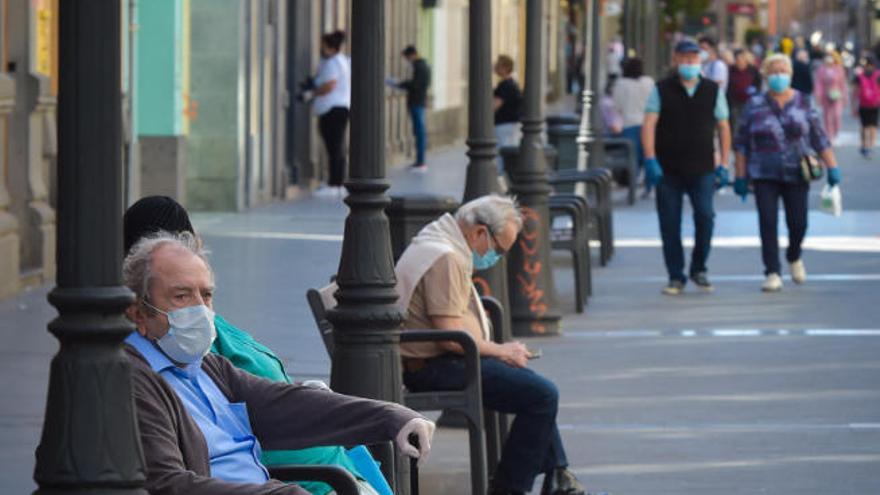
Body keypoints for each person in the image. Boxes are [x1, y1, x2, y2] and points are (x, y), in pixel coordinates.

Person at [121, 230, 434, 494]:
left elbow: (288, 403)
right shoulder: (133, 378)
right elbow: (167, 483)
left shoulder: (205, 366)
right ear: (137, 313)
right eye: (181, 296)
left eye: (206, 295)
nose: (200, 309)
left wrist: (392, 418)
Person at [394, 195, 586, 495]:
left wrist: (496, 349)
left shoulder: (442, 239)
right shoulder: (445, 256)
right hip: (432, 365)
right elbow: (448, 335)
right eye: (498, 248)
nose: (496, 257)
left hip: (445, 357)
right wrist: (502, 351)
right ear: (480, 232)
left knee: (533, 387)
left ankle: (559, 477)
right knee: (541, 395)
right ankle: (513, 488)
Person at [733, 54, 841, 292]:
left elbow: (818, 137)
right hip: (763, 172)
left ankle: (794, 255)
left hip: (797, 172)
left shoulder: (803, 101)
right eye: (773, 71)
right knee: (768, 222)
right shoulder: (754, 104)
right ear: (765, 75)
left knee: (798, 222)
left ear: (790, 75)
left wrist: (832, 167)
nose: (778, 75)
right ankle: (772, 271)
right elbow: (741, 143)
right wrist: (739, 176)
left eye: (783, 71)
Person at [641, 39, 732, 295]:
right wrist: (650, 159)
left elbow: (724, 126)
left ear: (700, 60)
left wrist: (724, 163)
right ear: (676, 59)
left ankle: (699, 268)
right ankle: (675, 275)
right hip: (667, 168)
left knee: (706, 217)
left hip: (703, 167)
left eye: (694, 58)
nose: (690, 63)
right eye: (685, 58)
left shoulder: (713, 90)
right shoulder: (662, 89)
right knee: (669, 223)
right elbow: (649, 123)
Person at [307, 31, 351, 198]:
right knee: (337, 146)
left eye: (323, 45)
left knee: (334, 146)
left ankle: (335, 182)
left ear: (329, 46)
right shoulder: (343, 61)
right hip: (340, 107)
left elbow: (330, 85)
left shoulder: (332, 62)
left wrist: (312, 93)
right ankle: (337, 182)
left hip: (332, 109)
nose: (321, 48)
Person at [612, 57, 655, 194]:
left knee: (632, 158)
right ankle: (649, 187)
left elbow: (617, 105)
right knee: (648, 155)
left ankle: (632, 187)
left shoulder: (621, 84)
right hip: (648, 124)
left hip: (629, 125)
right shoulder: (649, 82)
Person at [394, 45, 431, 171]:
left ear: (412, 54)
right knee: (419, 132)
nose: (407, 60)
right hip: (419, 102)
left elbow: (416, 85)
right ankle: (420, 161)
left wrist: (401, 84)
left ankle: (421, 162)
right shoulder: (423, 66)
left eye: (407, 57)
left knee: (419, 132)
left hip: (417, 102)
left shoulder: (420, 67)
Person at [813, 50, 848, 143]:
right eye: (827, 56)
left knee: (837, 115)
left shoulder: (839, 69)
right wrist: (818, 95)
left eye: (831, 56)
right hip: (826, 95)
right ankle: (829, 135)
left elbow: (843, 84)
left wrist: (845, 97)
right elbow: (818, 83)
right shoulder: (821, 69)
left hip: (837, 95)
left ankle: (836, 133)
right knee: (827, 116)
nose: (829, 58)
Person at [727, 49, 762, 133]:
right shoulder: (731, 70)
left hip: (749, 102)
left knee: (749, 123)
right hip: (735, 102)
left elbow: (758, 84)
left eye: (741, 59)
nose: (739, 62)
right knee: (735, 124)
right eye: (737, 60)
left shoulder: (753, 70)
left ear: (745, 60)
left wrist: (754, 91)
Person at [493, 54, 522, 152]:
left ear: (505, 68)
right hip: (512, 125)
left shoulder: (505, 86)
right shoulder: (513, 84)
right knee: (509, 153)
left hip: (504, 125)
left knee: (503, 153)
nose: (495, 67)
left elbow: (495, 105)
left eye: (498, 65)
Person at [852, 56, 880, 158]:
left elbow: (855, 92)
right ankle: (871, 146)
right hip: (875, 104)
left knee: (864, 126)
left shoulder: (859, 76)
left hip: (863, 104)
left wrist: (853, 106)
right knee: (873, 125)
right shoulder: (878, 75)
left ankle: (864, 145)